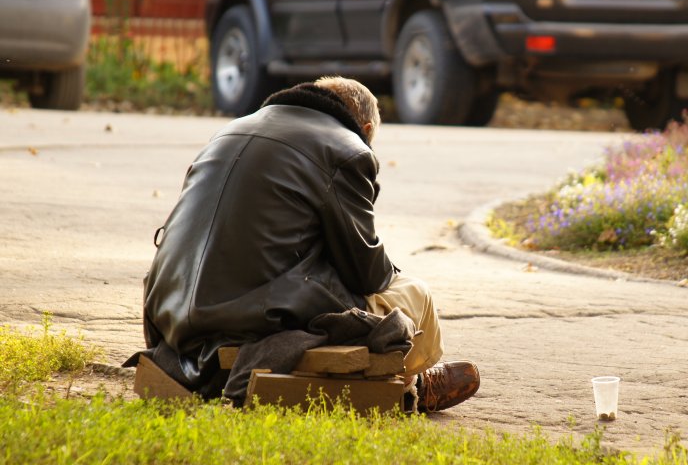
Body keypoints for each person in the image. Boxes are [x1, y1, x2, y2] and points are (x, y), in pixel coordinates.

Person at [127, 76, 479, 412]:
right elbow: (368, 273)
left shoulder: (229, 130)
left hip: (170, 309)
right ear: (367, 130)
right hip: (250, 318)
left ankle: (407, 386)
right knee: (414, 293)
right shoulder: (349, 149)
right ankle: (411, 387)